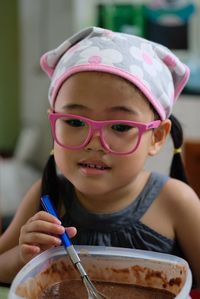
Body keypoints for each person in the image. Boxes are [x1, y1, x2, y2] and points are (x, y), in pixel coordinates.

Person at [0, 26, 200, 287]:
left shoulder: (176, 201)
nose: (94, 143)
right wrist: (23, 256)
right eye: (73, 122)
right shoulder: (47, 196)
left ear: (158, 137)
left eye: (119, 127)